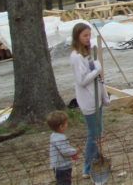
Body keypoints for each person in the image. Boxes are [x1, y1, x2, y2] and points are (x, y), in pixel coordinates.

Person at [70, 22, 110, 179]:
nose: (88, 38)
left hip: (96, 99)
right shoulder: (76, 57)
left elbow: (94, 75)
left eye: (89, 35)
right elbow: (81, 80)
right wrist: (97, 70)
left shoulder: (87, 53)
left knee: (98, 133)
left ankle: (96, 160)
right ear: (77, 37)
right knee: (93, 135)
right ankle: (87, 168)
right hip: (88, 101)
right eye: (85, 35)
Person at [47, 110, 78, 185]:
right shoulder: (60, 138)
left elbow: (63, 149)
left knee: (61, 181)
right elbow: (65, 151)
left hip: (57, 166)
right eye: (66, 123)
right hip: (63, 166)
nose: (67, 124)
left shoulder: (53, 135)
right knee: (65, 182)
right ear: (61, 126)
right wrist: (75, 151)